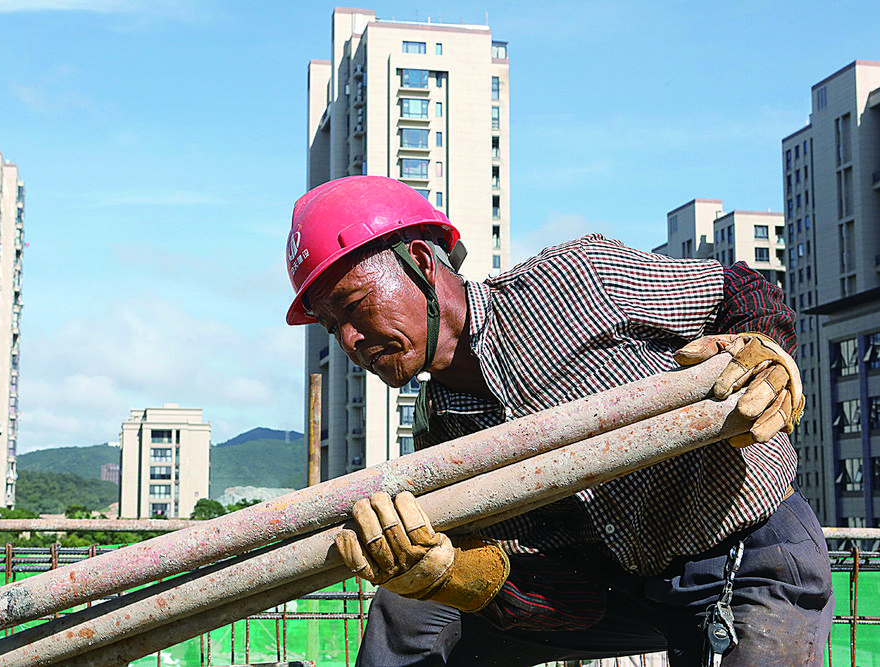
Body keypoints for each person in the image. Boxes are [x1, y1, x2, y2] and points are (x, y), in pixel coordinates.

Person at [284, 175, 834, 666]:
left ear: (423, 265)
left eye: (354, 306)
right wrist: (456, 577)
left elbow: (739, 287)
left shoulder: (576, 283)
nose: (350, 341)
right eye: (333, 328)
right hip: (620, 589)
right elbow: (566, 600)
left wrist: (764, 345)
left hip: (746, 554)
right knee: (411, 605)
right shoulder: (445, 435)